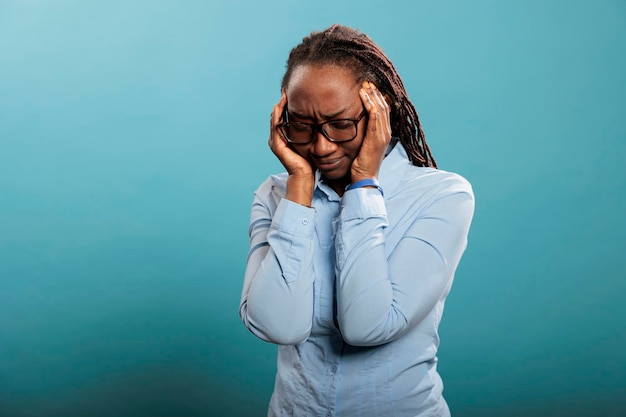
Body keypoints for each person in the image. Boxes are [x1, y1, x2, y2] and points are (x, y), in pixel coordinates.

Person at [239, 24, 474, 417]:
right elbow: (277, 325)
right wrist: (299, 187)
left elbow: (369, 325)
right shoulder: (276, 194)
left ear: (379, 111)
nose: (320, 145)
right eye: (302, 125)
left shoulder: (443, 195)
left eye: (340, 123)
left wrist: (363, 186)